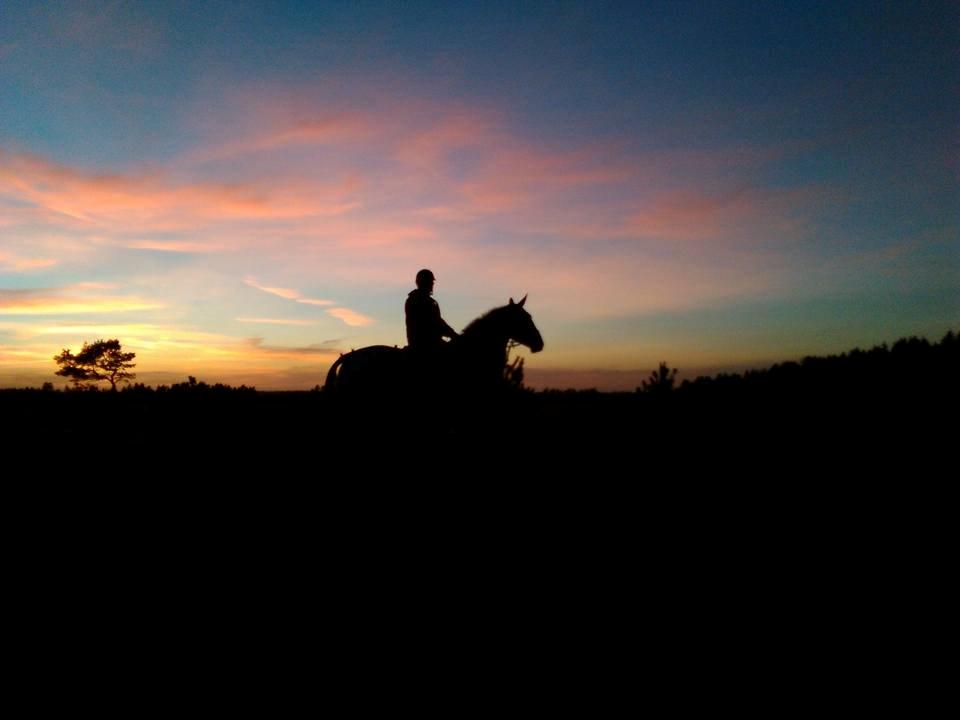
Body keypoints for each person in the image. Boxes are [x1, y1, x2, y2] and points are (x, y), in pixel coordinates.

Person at [405, 268, 459, 351]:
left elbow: (439, 321)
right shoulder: (418, 300)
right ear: (424, 283)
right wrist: (453, 334)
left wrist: (452, 333)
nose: (432, 284)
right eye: (430, 281)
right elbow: (435, 322)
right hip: (425, 344)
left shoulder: (429, 301)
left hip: (429, 341)